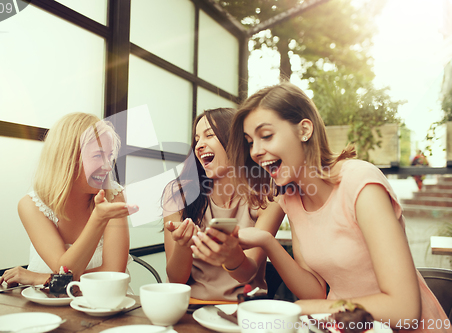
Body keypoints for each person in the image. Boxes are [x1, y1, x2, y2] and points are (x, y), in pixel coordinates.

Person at [227, 81, 449, 332]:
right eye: (249, 141)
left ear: (304, 130)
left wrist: (297, 309)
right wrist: (267, 242)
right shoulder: (291, 197)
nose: (256, 151)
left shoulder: (361, 184)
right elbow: (316, 290)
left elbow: (403, 309)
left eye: (266, 135)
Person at [0, 113, 138, 287]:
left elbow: (114, 273)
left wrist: (39, 278)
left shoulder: (113, 195)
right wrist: (99, 219)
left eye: (109, 156)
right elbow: (64, 269)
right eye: (97, 156)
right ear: (67, 158)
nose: (109, 166)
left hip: (106, 303)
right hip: (47, 304)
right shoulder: (31, 206)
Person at [162, 108, 285, 301]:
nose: (199, 145)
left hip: (244, 310)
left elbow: (247, 274)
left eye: (209, 135)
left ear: (236, 141)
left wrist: (228, 252)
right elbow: (176, 280)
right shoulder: (178, 194)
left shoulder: (268, 198)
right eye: (196, 139)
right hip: (190, 307)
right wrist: (183, 245)